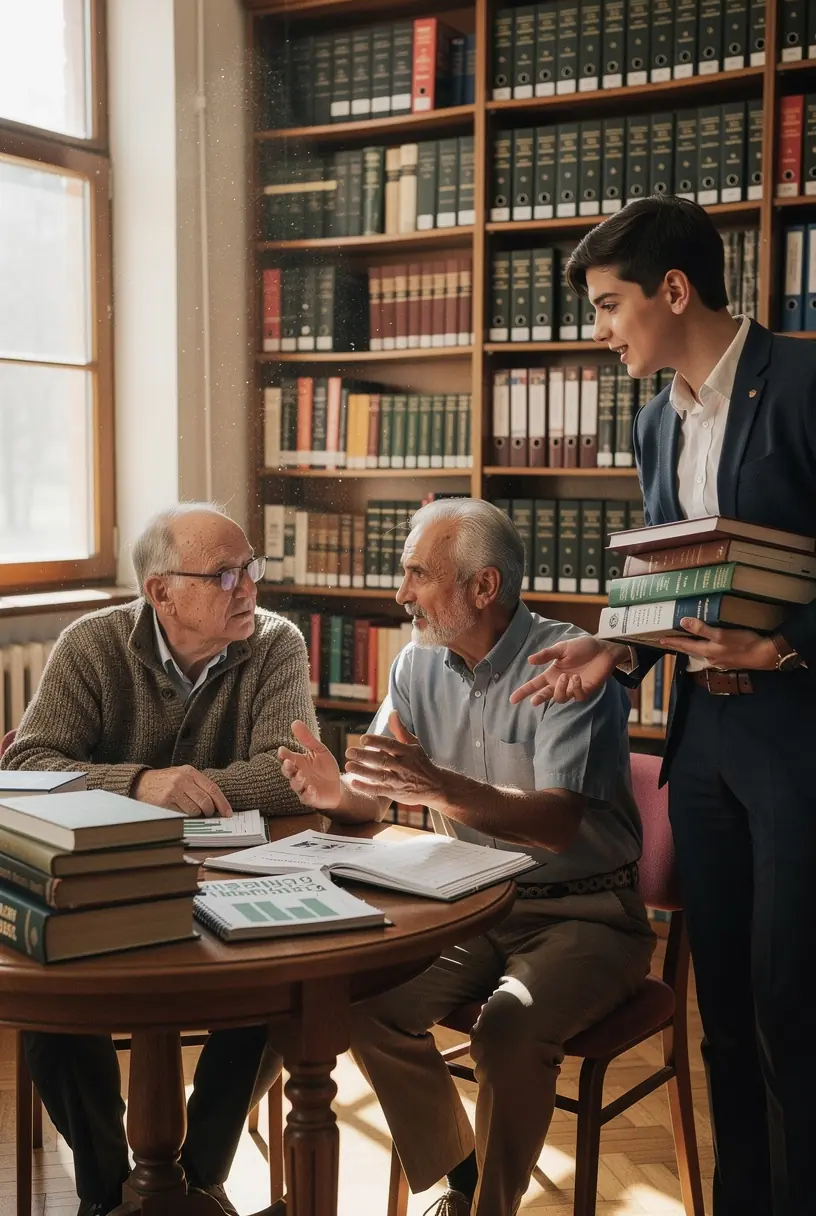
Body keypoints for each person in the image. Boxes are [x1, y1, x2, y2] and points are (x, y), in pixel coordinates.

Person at [511, 195, 816, 1216]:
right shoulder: (654, 422)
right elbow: (669, 576)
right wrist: (615, 646)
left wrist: (780, 644)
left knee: (791, 1002)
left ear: (673, 289)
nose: (600, 330)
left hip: (796, 733)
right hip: (704, 739)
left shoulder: (808, 383)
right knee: (721, 1007)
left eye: (609, 305)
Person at [276, 498, 655, 1216]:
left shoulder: (566, 666)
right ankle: (463, 1175)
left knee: (508, 1030)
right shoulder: (418, 664)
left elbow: (555, 824)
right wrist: (338, 792)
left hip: (591, 916)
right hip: (474, 908)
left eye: (418, 574)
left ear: (483, 588)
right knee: (357, 1006)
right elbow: (378, 792)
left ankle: (492, 1212)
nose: (401, 593)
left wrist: (442, 789)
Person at [2, 500, 317, 1216]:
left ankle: (199, 1180)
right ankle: (109, 1191)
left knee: (281, 984)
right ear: (161, 592)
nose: (249, 589)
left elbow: (288, 768)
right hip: (105, 883)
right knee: (53, 1009)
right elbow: (27, 762)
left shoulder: (278, 643)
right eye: (225, 575)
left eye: (251, 569)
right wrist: (141, 783)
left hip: (236, 879)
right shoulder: (93, 644)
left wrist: (190, 792)